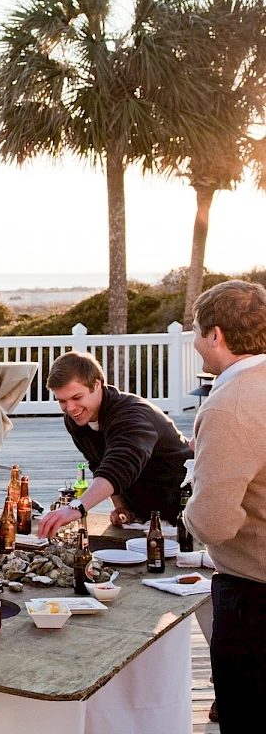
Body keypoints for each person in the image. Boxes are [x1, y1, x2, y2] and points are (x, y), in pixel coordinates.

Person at [184, 280, 266, 730]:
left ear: (216, 335)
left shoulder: (229, 405)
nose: (194, 343)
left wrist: (199, 476)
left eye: (196, 331)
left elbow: (212, 524)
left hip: (254, 598)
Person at [37, 350, 192, 540]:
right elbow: (99, 464)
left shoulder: (132, 415)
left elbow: (120, 465)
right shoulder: (77, 419)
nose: (70, 408)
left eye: (77, 398)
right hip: (143, 518)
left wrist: (77, 507)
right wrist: (121, 507)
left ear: (97, 385)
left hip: (186, 512)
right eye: (62, 400)